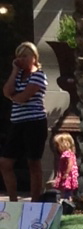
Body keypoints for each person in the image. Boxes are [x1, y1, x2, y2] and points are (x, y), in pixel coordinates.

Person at [1, 43, 48, 201]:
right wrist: (15, 71)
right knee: (5, 162)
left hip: (34, 123)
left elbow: (23, 97)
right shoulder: (18, 75)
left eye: (25, 56)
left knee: (33, 163)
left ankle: (35, 201)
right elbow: (6, 91)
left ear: (34, 58)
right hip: (17, 123)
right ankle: (13, 201)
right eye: (19, 56)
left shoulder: (39, 75)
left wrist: (13, 97)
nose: (21, 59)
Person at [48, 131, 79, 208]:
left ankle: (67, 202)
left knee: (66, 189)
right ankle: (65, 200)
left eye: (57, 145)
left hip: (67, 175)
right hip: (65, 173)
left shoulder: (67, 154)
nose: (56, 147)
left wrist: (66, 173)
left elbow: (70, 163)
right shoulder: (69, 153)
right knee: (64, 189)